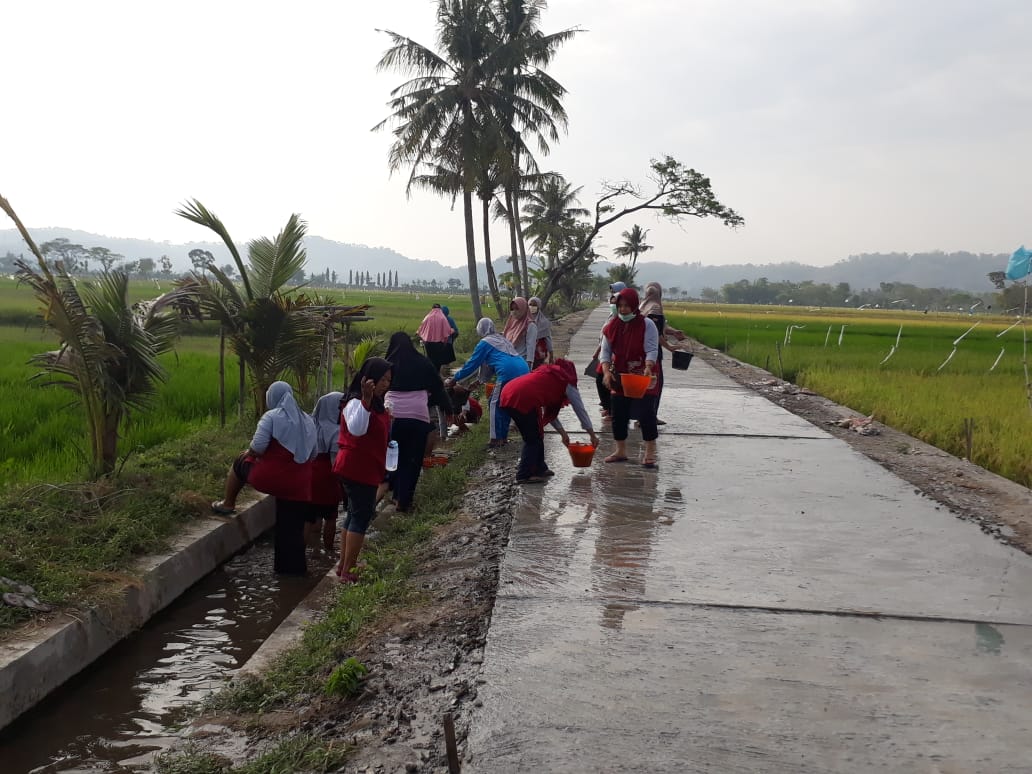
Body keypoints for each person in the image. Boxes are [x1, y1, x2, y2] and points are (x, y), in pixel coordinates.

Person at [212, 381, 317, 575]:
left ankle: (228, 503)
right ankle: (291, 577)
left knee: (240, 463)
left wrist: (248, 453)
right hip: (299, 485)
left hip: (271, 478)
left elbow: (258, 447)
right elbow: (313, 454)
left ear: (272, 397)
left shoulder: (271, 416)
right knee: (290, 531)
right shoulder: (307, 419)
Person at [333, 357, 393, 584]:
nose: (385, 384)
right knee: (360, 517)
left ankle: (343, 564)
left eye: (388, 380)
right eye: (382, 379)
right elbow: (357, 429)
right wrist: (366, 400)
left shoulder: (376, 403)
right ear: (369, 379)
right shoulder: (356, 402)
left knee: (353, 514)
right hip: (358, 468)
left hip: (363, 466)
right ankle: (348, 570)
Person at [499, 359, 600, 483]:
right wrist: (592, 435)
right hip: (521, 398)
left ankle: (540, 468)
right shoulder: (566, 382)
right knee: (532, 439)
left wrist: (563, 433)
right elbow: (580, 410)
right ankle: (524, 474)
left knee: (537, 433)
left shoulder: (548, 376)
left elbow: (549, 412)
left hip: (509, 392)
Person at [384, 332, 453, 513]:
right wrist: (448, 409)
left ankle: (395, 495)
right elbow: (438, 387)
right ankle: (404, 501)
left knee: (395, 457)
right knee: (413, 459)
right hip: (418, 416)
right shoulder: (423, 362)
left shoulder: (387, 364)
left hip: (392, 416)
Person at [600, 287, 661, 468]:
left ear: (634, 305)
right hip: (621, 373)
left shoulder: (647, 324)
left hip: (642, 372)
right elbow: (605, 352)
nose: (623, 309)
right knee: (618, 413)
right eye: (620, 306)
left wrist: (648, 367)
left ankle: (650, 452)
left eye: (627, 306)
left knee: (646, 413)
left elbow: (652, 348)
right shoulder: (611, 326)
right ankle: (620, 450)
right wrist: (606, 372)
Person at [447, 318, 529, 448]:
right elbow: (489, 364)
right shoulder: (501, 339)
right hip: (523, 369)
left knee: (494, 403)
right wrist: (479, 381)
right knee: (505, 403)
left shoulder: (485, 342)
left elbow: (472, 364)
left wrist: (454, 379)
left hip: (509, 372)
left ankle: (495, 439)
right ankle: (503, 437)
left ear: (480, 330)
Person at [635, 281, 686, 426]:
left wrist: (673, 332)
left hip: (640, 351)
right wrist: (669, 346)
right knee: (655, 384)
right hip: (653, 353)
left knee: (642, 383)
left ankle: (640, 416)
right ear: (659, 294)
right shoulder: (656, 308)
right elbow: (656, 333)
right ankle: (650, 416)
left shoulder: (642, 306)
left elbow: (657, 327)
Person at [307, 390, 345, 555]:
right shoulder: (337, 430)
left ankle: (312, 551)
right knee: (330, 516)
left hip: (310, 473)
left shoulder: (310, 424)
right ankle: (329, 551)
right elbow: (335, 461)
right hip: (328, 475)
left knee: (312, 515)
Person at [588, 282, 625, 422]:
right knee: (602, 379)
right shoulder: (612, 315)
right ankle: (609, 407)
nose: (614, 305)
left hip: (616, 356)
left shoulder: (626, 317)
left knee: (610, 381)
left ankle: (612, 410)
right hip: (606, 353)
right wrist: (598, 350)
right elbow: (605, 337)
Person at [417, 304, 455, 372]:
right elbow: (447, 331)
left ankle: (431, 373)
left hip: (428, 343)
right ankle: (437, 374)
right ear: (440, 309)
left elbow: (421, 329)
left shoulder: (427, 317)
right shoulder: (442, 318)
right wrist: (452, 331)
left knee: (430, 359)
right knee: (438, 361)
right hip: (439, 343)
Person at [502, 297, 537, 368]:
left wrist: (529, 364)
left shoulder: (530, 325)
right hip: (508, 360)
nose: (514, 311)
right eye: (512, 309)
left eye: (517, 308)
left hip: (521, 362)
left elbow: (531, 346)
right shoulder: (511, 323)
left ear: (523, 309)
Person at [527, 296, 554, 369]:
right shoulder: (523, 320)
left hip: (538, 354)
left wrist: (551, 355)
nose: (532, 307)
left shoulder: (544, 322)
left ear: (538, 307)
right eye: (530, 304)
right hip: (525, 353)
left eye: (534, 305)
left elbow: (548, 339)